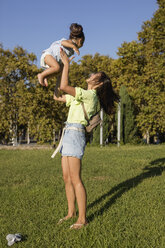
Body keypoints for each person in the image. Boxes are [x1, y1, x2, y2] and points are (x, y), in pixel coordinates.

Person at [53, 49, 118, 230]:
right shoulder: (80, 95)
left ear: (97, 83)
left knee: (76, 179)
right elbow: (58, 95)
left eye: (93, 75)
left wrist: (66, 64)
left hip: (75, 134)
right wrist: (58, 72)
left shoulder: (89, 95)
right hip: (68, 134)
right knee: (67, 178)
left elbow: (66, 87)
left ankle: (83, 219)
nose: (90, 75)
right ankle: (70, 213)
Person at [37, 23, 85, 89]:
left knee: (59, 71)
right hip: (49, 55)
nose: (82, 45)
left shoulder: (71, 50)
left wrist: (67, 61)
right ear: (80, 41)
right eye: (82, 43)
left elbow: (63, 56)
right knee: (56, 68)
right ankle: (41, 75)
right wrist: (73, 46)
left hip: (55, 60)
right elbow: (63, 43)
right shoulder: (69, 42)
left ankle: (46, 77)